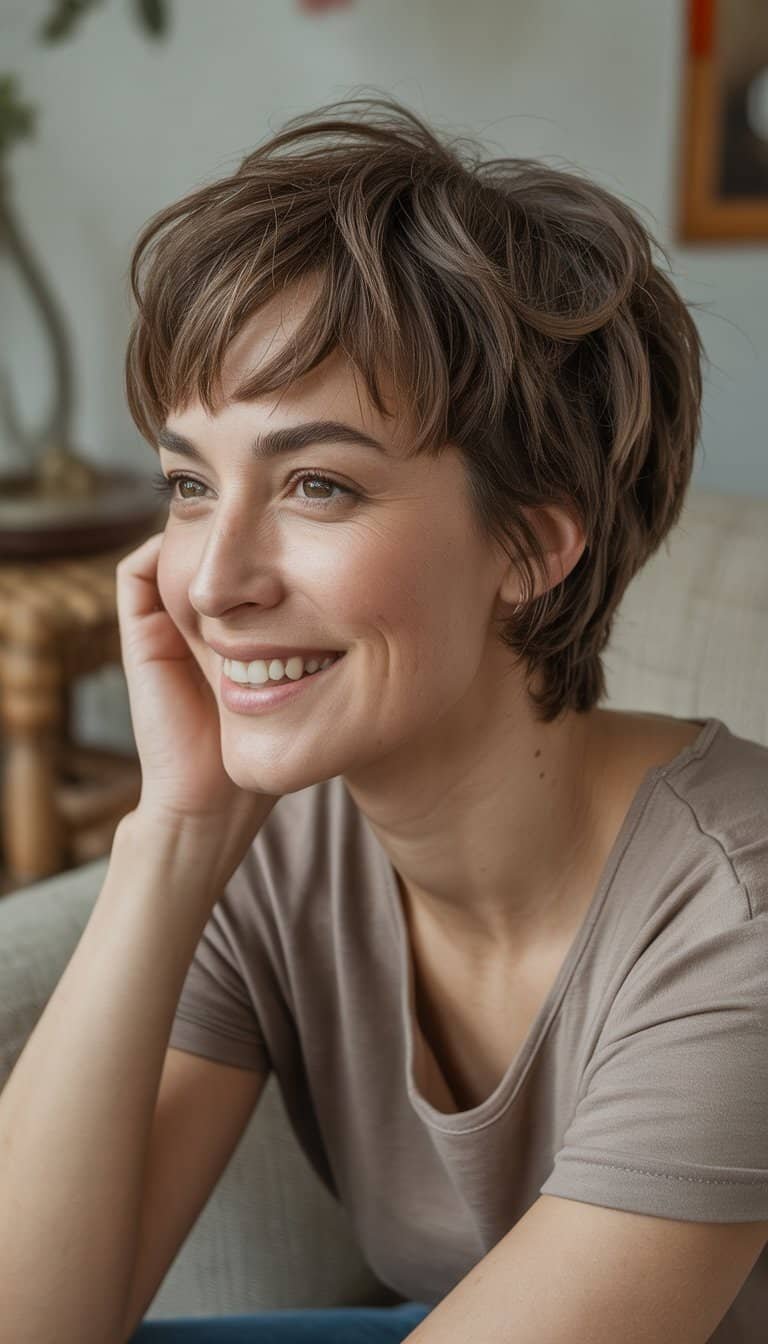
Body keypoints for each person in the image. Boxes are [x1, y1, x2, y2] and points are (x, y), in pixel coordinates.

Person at [2, 96, 767, 1344]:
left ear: (531, 545)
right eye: (190, 484)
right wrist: (174, 837)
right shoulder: (277, 849)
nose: (211, 578)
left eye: (316, 484)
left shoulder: (737, 922)